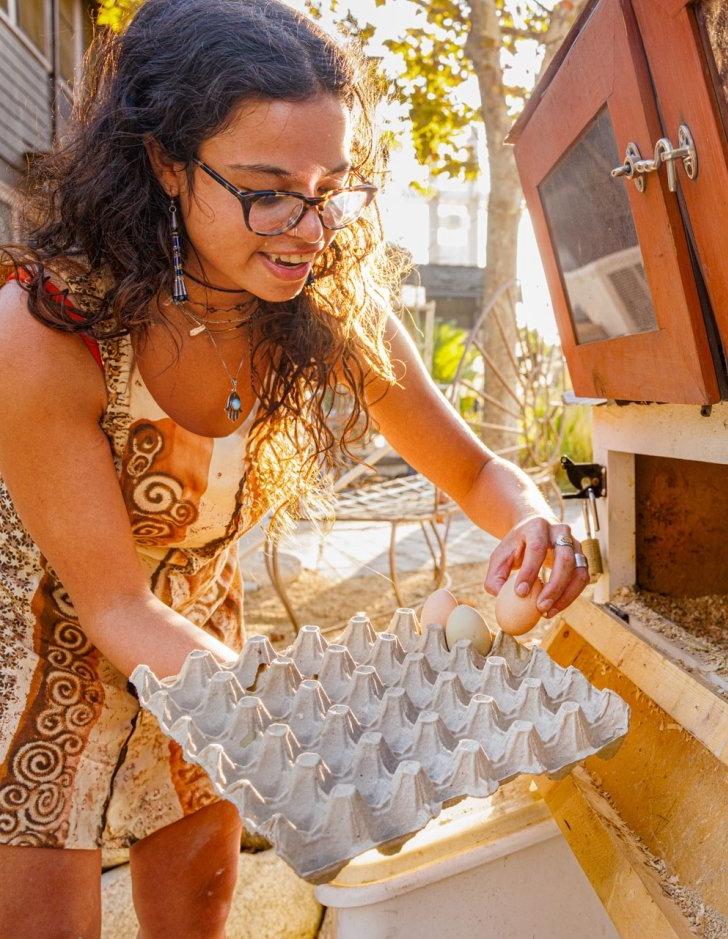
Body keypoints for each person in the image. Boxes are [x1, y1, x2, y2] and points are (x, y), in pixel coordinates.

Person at [0, 0, 589, 935]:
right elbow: (111, 604)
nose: (308, 229)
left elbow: (478, 474)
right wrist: (312, 731)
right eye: (267, 189)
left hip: (203, 645)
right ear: (163, 162)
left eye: (331, 188)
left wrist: (530, 524)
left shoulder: (322, 303)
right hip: (41, 658)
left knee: (198, 907)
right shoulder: (48, 331)